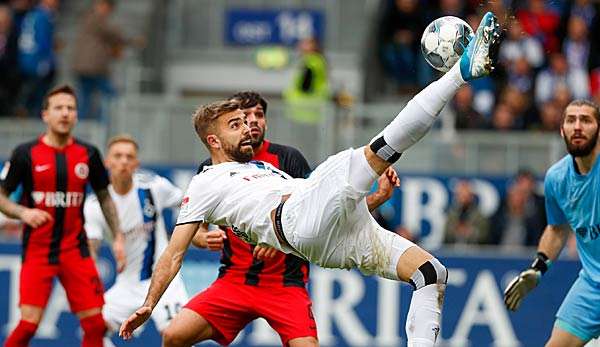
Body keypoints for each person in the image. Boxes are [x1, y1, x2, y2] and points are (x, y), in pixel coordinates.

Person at [120, 12, 502, 347]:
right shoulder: (205, 182)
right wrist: (150, 304)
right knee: (376, 150)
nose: (248, 128)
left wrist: (372, 200)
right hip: (294, 222)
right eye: (236, 125)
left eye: (249, 121)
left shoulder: (267, 166)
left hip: (324, 237)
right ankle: (461, 72)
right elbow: (174, 252)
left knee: (431, 273)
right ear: (213, 141)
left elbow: (329, 207)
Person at [185, 91, 398, 347]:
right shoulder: (210, 171)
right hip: (234, 280)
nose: (252, 121)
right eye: (243, 117)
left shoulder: (287, 159)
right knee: (174, 335)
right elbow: (195, 231)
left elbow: (321, 213)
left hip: (284, 283)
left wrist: (377, 198)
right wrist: (203, 238)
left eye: (259, 115)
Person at [0, 85, 125, 347]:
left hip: (75, 251)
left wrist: (118, 237)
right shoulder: (25, 154)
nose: (65, 113)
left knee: (94, 325)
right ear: (45, 115)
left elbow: (104, 196)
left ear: (77, 116)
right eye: (59, 108)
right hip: (38, 250)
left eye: (70, 108)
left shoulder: (88, 153)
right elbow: (1, 196)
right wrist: (23, 212)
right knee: (27, 325)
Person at [504, 99, 600, 346]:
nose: (577, 126)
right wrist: (538, 267)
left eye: (586, 120)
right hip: (591, 285)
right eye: (571, 120)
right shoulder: (556, 178)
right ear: (561, 130)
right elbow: (557, 229)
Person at [83, 134, 188, 343]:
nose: (124, 161)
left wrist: (201, 232)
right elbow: (91, 252)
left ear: (136, 163)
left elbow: (190, 204)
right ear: (107, 162)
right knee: (93, 330)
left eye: (129, 157)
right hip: (128, 283)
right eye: (118, 156)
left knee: (178, 336)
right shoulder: (95, 205)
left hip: (164, 281)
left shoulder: (154, 187)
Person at [72, 0, 140, 120]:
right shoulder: (95, 19)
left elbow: (109, 38)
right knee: (110, 95)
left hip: (86, 67)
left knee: (87, 98)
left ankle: (87, 127)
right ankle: (104, 126)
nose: (107, 11)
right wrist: (133, 41)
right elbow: (114, 34)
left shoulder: (90, 18)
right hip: (92, 67)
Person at [17, 0, 58, 118]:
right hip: (36, 62)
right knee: (38, 98)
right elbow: (43, 40)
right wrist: (45, 61)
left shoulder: (31, 14)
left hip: (25, 60)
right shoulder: (43, 16)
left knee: (30, 94)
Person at [443, 180, 490, 245]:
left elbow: (484, 235)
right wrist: (456, 231)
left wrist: (471, 232)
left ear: (471, 196)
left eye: (465, 195)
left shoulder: (479, 215)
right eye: (460, 195)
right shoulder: (452, 214)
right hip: (454, 249)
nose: (462, 198)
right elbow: (446, 234)